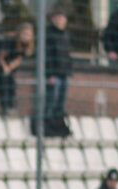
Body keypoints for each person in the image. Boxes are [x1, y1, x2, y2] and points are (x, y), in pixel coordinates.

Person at [0, 22, 35, 114]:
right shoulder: (10, 42)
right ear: (19, 33)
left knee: (11, 83)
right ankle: (5, 107)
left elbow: (18, 59)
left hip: (8, 63)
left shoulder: (26, 46)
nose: (26, 36)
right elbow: (0, 57)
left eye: (29, 35)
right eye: (24, 34)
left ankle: (11, 106)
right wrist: (5, 68)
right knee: (3, 81)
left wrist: (9, 68)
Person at [42, 8, 72, 136]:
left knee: (60, 103)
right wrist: (49, 74)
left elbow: (67, 55)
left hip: (64, 74)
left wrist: (69, 71)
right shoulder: (49, 35)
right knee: (51, 102)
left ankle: (58, 126)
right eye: (58, 18)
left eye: (63, 18)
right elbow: (47, 56)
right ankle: (47, 127)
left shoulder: (65, 35)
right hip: (54, 74)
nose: (61, 21)